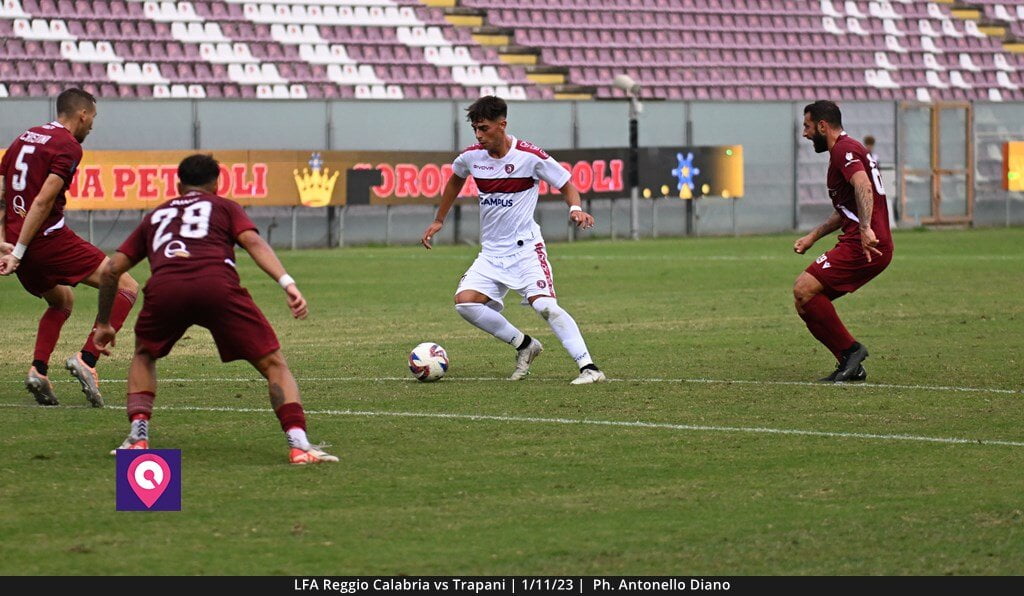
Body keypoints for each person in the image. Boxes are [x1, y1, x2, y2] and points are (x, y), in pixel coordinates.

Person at [92, 154, 338, 465]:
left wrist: (104, 323)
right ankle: (299, 445)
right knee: (274, 363)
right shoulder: (225, 206)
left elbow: (112, 269)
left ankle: (138, 438)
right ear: (217, 185)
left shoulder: (156, 215)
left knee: (144, 354)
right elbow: (252, 241)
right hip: (217, 285)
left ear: (178, 185)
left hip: (166, 288)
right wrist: (287, 282)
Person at [420, 96, 606, 385]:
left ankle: (589, 367)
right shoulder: (472, 157)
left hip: (526, 250)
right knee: (465, 303)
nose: (479, 135)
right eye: (475, 129)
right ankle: (525, 345)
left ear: (502, 125)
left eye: (483, 128)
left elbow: (566, 183)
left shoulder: (529, 156)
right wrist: (439, 219)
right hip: (492, 252)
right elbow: (456, 178)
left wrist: (576, 209)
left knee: (545, 306)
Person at [0, 87, 138, 407]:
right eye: (93, 119)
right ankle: (87, 358)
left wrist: (5, 243)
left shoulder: (25, 137)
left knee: (62, 301)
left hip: (20, 245)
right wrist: (19, 250)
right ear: (82, 114)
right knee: (125, 285)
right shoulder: (68, 145)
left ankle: (39, 369)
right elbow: (44, 199)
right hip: (46, 241)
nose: (92, 126)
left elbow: (4, 194)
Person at [794, 100, 894, 383]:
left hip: (866, 244)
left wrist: (864, 228)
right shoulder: (846, 150)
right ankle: (850, 363)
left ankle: (851, 351)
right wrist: (813, 236)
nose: (805, 133)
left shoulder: (844, 150)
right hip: (864, 240)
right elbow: (846, 208)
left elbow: (862, 185)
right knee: (806, 300)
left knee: (804, 289)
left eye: (807, 126)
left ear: (823, 126)